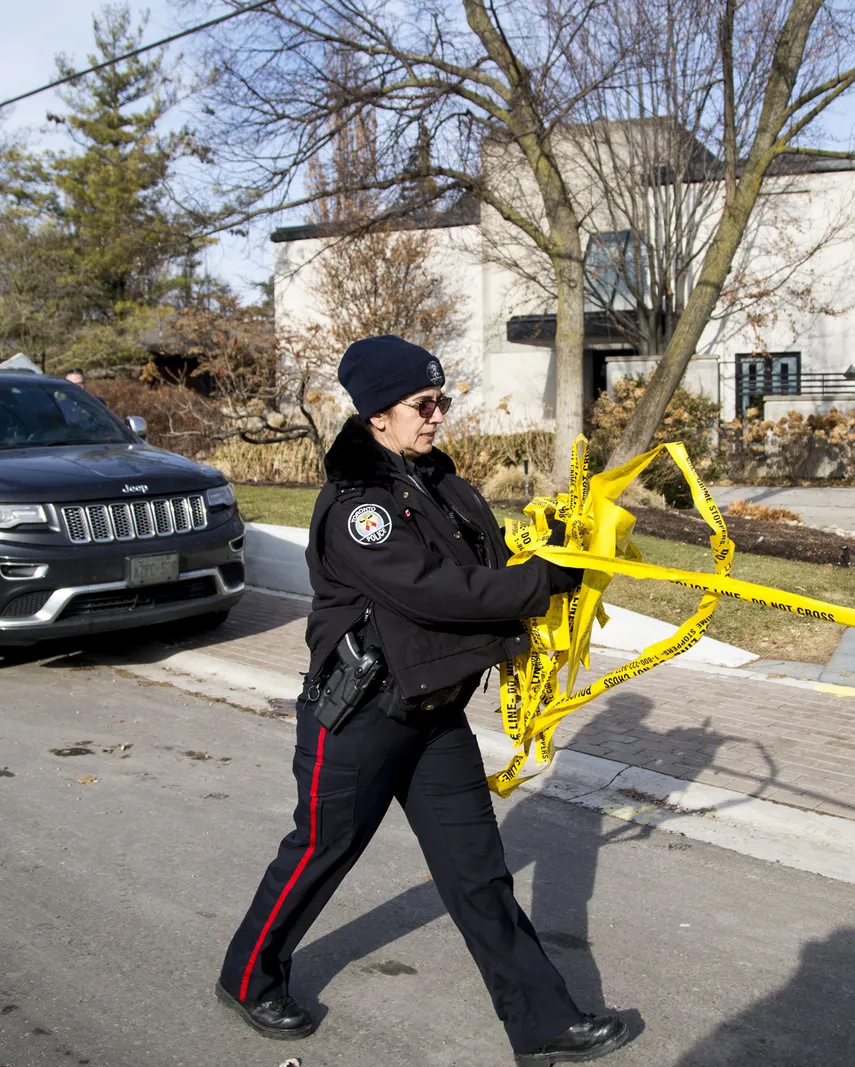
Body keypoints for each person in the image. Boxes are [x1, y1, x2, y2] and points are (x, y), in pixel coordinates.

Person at [215, 336, 630, 1065]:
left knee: (478, 872)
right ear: (378, 413)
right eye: (422, 404)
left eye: (442, 400)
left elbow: (491, 557)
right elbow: (442, 592)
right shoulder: (357, 508)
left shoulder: (438, 481)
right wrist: (543, 585)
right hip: (361, 719)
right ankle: (248, 975)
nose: (437, 415)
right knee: (318, 852)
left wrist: (558, 547)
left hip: (433, 712)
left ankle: (543, 1023)